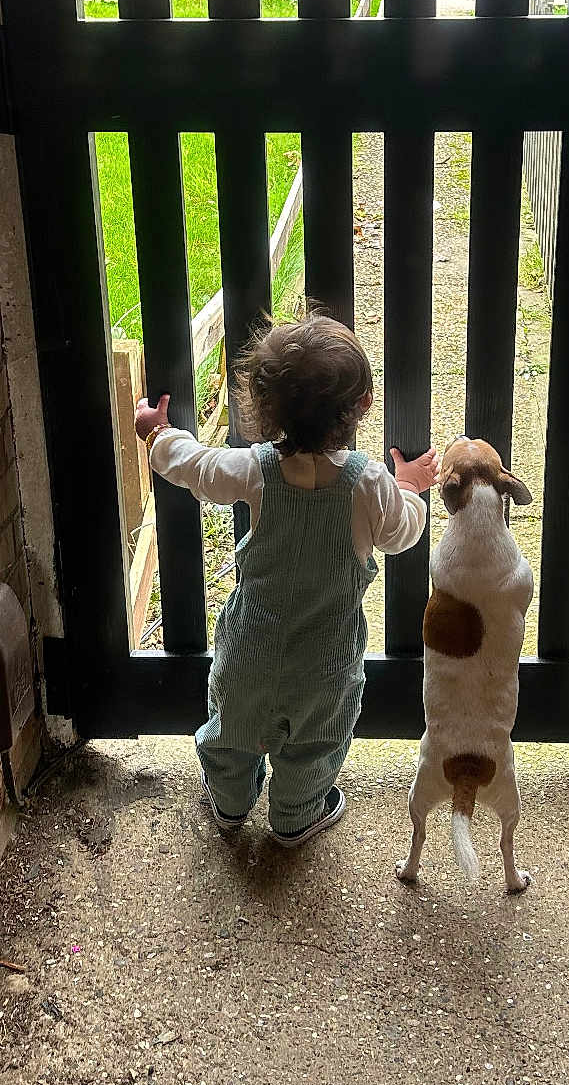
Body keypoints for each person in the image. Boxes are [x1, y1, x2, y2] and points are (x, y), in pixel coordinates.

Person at [134, 311, 437, 846]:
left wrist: (158, 434)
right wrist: (409, 487)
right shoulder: (367, 484)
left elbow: (196, 467)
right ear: (363, 406)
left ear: (265, 410)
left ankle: (229, 805)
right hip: (323, 661)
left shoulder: (255, 469)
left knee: (231, 730)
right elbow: (401, 534)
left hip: (251, 644)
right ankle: (295, 817)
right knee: (314, 745)